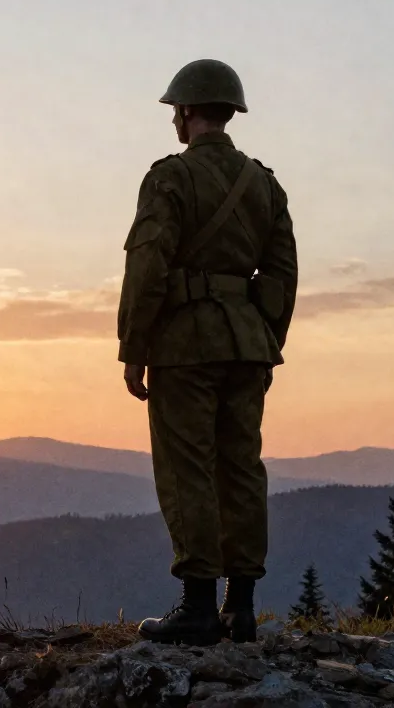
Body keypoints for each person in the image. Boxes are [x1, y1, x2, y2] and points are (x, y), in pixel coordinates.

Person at [117, 58, 298, 645]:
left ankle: (197, 606)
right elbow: (282, 273)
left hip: (184, 347)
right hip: (247, 345)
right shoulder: (264, 184)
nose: (174, 118)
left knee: (188, 466)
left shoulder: (169, 179)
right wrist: (265, 341)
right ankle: (239, 608)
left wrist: (133, 346)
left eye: (176, 109)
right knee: (242, 467)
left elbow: (147, 265)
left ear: (188, 110)